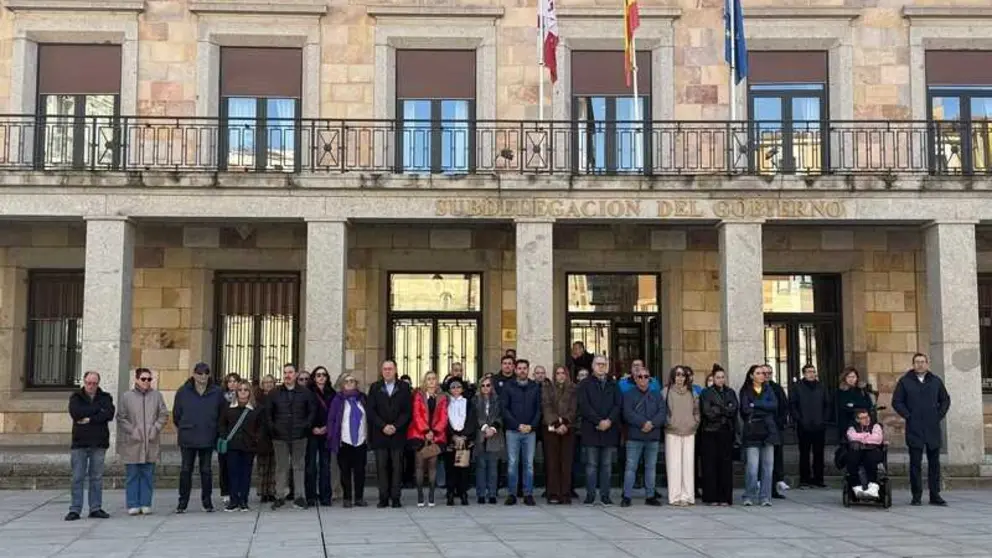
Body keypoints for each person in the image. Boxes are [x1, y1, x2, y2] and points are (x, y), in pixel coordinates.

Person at [892, 353, 951, 506]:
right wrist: (908, 415)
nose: (920, 365)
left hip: (932, 427)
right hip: (914, 427)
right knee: (915, 464)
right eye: (917, 362)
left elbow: (945, 400)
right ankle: (916, 496)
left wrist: (938, 415)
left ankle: (935, 495)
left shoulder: (936, 381)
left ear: (927, 364)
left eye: (923, 362)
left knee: (934, 464)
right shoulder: (905, 382)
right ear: (913, 364)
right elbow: (897, 401)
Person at [172, 362, 226, 513]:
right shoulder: (183, 391)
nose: (203, 376)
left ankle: (207, 502)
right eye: (200, 373)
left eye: (206, 373)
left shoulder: (217, 392)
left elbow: (222, 414)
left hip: (208, 436)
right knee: (185, 470)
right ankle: (182, 502)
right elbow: (176, 415)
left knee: (206, 470)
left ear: (209, 375)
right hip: (188, 437)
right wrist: (185, 426)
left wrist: (217, 431)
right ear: (194, 374)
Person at [117, 368, 168, 515]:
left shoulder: (157, 396)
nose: (147, 382)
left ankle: (146, 503)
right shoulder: (127, 397)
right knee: (133, 474)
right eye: (144, 379)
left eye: (149, 379)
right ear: (137, 379)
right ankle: (133, 503)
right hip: (133, 442)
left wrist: (156, 428)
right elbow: (121, 417)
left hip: (151, 441)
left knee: (147, 474)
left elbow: (163, 414)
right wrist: (132, 430)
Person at [66, 371, 115, 521]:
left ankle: (95, 508)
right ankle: (75, 509)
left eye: (94, 383)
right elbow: (76, 412)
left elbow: (109, 414)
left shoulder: (106, 397)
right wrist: (96, 411)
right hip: (80, 443)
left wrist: (89, 418)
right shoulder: (76, 397)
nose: (91, 386)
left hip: (99, 443)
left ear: (98, 384)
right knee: (77, 477)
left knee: (96, 477)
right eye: (88, 383)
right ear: (84, 382)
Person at [268, 363, 318, 510]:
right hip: (279, 436)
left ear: (295, 375)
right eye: (285, 372)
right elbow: (268, 413)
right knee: (281, 466)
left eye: (290, 372)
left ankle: (299, 497)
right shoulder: (274, 393)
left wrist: (306, 426)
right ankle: (279, 496)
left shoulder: (305, 393)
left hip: (299, 435)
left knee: (299, 466)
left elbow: (312, 411)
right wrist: (273, 428)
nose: (287, 375)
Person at [367, 360, 413, 508]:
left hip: (397, 434)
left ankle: (396, 498)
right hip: (380, 434)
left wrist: (395, 426)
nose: (387, 371)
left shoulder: (404, 387)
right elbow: (371, 411)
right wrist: (383, 426)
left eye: (390, 369)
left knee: (397, 467)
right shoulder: (375, 387)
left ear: (395, 370)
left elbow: (407, 411)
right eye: (385, 369)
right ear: (382, 371)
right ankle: (383, 498)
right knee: (381, 467)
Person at [578, 355, 621, 506]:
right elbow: (584, 406)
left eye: (604, 364)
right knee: (591, 465)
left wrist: (609, 421)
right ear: (592, 366)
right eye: (598, 364)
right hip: (591, 429)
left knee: (607, 466)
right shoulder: (584, 384)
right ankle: (590, 495)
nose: (601, 367)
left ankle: (605, 496)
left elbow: (618, 405)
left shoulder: (614, 384)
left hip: (609, 430)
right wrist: (598, 421)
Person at [621, 366, 665, 507]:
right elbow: (627, 413)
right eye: (640, 376)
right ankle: (627, 496)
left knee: (651, 467)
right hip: (634, 436)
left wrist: (652, 424)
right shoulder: (628, 395)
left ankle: (650, 496)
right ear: (635, 378)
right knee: (630, 467)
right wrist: (643, 423)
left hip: (652, 436)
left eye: (646, 376)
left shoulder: (657, 395)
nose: (643, 379)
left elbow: (662, 412)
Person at [501, 358, 541, 506]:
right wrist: (517, 425)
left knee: (529, 464)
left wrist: (531, 426)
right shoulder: (508, 386)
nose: (522, 371)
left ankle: (528, 494)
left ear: (528, 370)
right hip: (513, 431)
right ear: (515, 370)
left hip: (530, 432)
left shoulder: (534, 387)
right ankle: (512, 494)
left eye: (525, 368)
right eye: (520, 368)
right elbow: (504, 409)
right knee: (512, 463)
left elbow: (539, 409)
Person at [739, 364, 780, 506]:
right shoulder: (745, 390)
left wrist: (755, 404)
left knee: (768, 466)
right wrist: (763, 406)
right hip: (752, 431)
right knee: (752, 466)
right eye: (758, 373)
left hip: (769, 431)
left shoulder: (769, 389)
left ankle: (765, 497)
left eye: (763, 373)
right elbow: (745, 409)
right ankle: (748, 495)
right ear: (751, 375)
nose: (762, 375)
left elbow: (774, 405)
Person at [327, 374, 369, 508]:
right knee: (344, 470)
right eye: (347, 381)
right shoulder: (338, 400)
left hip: (361, 440)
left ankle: (359, 498)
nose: (350, 383)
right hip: (344, 440)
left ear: (356, 383)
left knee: (360, 471)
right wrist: (332, 436)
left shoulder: (362, 398)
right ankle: (347, 498)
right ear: (342, 384)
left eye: (352, 381)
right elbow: (332, 419)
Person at [218, 380, 261, 512]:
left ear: (250, 392)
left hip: (249, 446)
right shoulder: (228, 408)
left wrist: (256, 438)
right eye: (240, 390)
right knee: (233, 473)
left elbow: (261, 427)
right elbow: (222, 424)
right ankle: (233, 500)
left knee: (246, 474)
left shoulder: (256, 409)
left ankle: (244, 500)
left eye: (246, 390)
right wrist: (225, 437)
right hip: (233, 446)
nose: (243, 392)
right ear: (236, 392)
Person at [408, 371, 448, 507]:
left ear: (437, 381)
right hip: (419, 434)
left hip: (436, 435)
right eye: (429, 379)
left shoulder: (442, 397)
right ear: (425, 381)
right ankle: (420, 494)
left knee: (432, 465)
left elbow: (444, 417)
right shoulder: (418, 396)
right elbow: (416, 414)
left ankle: (431, 494)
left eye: (433, 379)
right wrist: (425, 431)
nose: (431, 381)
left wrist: (434, 432)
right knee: (419, 466)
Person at [699, 366, 738, 506]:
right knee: (710, 465)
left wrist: (720, 409)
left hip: (726, 431)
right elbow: (707, 412)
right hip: (710, 432)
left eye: (722, 377)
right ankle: (711, 497)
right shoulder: (706, 393)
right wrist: (724, 409)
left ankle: (724, 497)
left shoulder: (730, 392)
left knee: (725, 466)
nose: (720, 380)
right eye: (718, 377)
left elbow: (733, 409)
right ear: (713, 378)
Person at [664, 365, 700, 506]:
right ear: (673, 376)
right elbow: (663, 410)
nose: (680, 377)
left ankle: (687, 496)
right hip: (672, 432)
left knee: (688, 465)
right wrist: (669, 423)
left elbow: (697, 410)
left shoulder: (693, 393)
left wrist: (695, 423)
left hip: (689, 432)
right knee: (674, 465)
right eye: (677, 374)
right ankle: (675, 497)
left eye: (683, 375)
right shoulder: (666, 391)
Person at [790, 364, 830, 489]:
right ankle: (805, 479)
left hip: (819, 425)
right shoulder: (797, 387)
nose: (811, 374)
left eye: (813, 371)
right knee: (804, 454)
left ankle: (818, 479)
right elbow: (793, 405)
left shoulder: (821, 387)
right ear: (804, 373)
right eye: (808, 372)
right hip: (804, 425)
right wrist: (799, 419)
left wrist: (824, 420)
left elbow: (827, 404)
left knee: (819, 453)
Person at [542, 365, 577, 505]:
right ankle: (553, 493)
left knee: (566, 462)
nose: (561, 375)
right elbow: (546, 406)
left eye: (563, 373)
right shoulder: (548, 388)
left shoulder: (573, 389)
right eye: (558, 373)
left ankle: (565, 493)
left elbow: (574, 409)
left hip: (568, 429)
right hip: (551, 429)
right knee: (552, 462)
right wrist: (556, 423)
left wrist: (565, 423)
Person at [444, 380, 477, 505]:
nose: (456, 389)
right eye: (453, 387)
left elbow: (472, 420)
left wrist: (464, 435)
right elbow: (444, 420)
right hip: (451, 439)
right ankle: (450, 493)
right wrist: (452, 435)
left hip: (465, 439)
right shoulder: (446, 403)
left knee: (464, 468)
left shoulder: (468, 403)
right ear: (449, 389)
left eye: (459, 387)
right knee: (450, 468)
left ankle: (463, 493)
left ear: (462, 389)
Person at [307, 366, 336, 507]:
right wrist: (312, 427)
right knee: (311, 465)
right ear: (314, 377)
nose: (321, 377)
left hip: (326, 433)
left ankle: (325, 496)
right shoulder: (307, 392)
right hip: (311, 433)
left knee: (325, 466)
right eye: (318, 375)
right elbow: (304, 412)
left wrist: (326, 428)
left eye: (324, 375)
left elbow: (335, 413)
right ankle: (311, 496)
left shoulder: (332, 393)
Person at [474, 375, 503, 504]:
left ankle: (492, 494)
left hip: (494, 436)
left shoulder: (498, 400)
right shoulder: (474, 400)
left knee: (492, 467)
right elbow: (475, 417)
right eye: (483, 385)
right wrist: (485, 428)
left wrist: (492, 428)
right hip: (480, 436)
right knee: (481, 466)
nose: (486, 388)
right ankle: (480, 494)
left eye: (488, 385)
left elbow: (500, 416)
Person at [845, 408, 885, 499]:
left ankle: (872, 486)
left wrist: (861, 438)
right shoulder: (852, 427)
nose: (867, 419)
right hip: (858, 451)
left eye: (867, 416)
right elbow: (851, 436)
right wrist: (867, 436)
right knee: (852, 459)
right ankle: (856, 486)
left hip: (872, 451)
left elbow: (877, 439)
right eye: (863, 418)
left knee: (870, 459)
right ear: (857, 420)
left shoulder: (876, 426)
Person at [763, 364, 790, 498]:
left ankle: (775, 487)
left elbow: (784, 407)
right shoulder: (757, 388)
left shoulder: (777, 388)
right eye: (765, 373)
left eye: (769, 373)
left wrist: (780, 422)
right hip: (761, 428)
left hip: (776, 428)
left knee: (776, 458)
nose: (767, 376)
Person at [254, 374, 277, 503]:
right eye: (266, 382)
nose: (268, 384)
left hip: (275, 435)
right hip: (262, 436)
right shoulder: (257, 399)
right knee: (262, 466)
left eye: (271, 382)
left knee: (274, 465)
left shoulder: (278, 397)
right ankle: (263, 492)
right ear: (262, 385)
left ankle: (272, 491)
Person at [219, 372, 241, 504]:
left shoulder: (243, 397)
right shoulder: (222, 398)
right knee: (224, 465)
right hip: (225, 437)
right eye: (230, 381)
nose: (232, 384)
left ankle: (236, 489)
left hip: (239, 437)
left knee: (237, 466)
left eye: (235, 381)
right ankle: (225, 490)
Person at [836, 366, 875, 437]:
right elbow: (843, 407)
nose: (851, 379)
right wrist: (859, 405)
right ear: (845, 378)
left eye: (853, 376)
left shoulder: (861, 390)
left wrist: (853, 405)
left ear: (857, 378)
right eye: (849, 377)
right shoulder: (840, 392)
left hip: (861, 424)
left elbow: (868, 404)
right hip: (846, 424)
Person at [571, 367, 589, 497]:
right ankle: (572, 486)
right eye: (580, 375)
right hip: (576, 430)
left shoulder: (592, 390)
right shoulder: (573, 391)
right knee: (574, 459)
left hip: (590, 430)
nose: (583, 377)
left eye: (585, 375)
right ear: (577, 377)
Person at [398, 373, 416, 489]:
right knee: (399, 458)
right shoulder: (397, 395)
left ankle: (409, 479)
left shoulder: (414, 396)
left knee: (410, 458)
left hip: (412, 431)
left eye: (407, 384)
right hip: (399, 430)